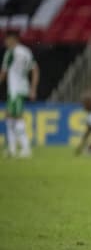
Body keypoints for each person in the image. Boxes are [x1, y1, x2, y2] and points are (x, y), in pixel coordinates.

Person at [1, 30, 39, 158]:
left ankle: (25, 148)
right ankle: (12, 149)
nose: (5, 42)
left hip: (15, 90)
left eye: (7, 39)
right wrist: (33, 88)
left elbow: (3, 73)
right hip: (21, 88)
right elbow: (35, 70)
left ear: (13, 39)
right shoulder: (26, 51)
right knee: (10, 117)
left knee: (17, 117)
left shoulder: (10, 53)